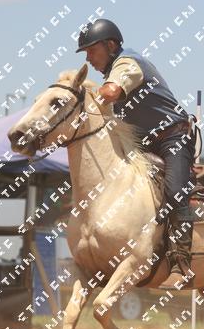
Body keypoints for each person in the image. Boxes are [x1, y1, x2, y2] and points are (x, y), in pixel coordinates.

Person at [76, 19, 196, 288]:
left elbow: (111, 91)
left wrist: (81, 96)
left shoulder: (129, 64)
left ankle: (181, 263)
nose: (88, 58)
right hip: (144, 143)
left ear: (110, 45)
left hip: (173, 138)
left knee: (174, 191)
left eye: (91, 50)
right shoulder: (112, 73)